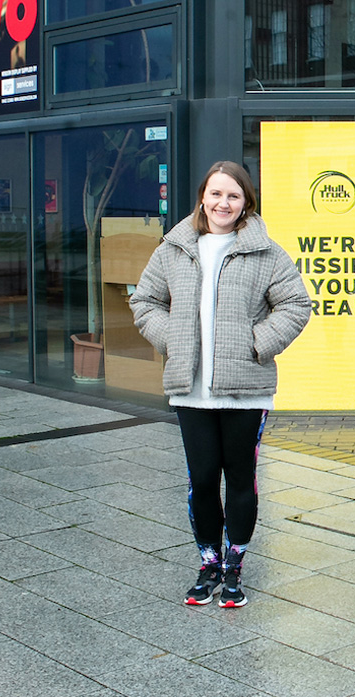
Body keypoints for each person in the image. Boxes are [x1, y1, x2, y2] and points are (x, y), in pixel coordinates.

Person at [130, 161, 311, 608]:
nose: (222, 203)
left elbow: (295, 305)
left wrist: (255, 344)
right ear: (202, 198)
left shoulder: (266, 251)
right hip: (190, 389)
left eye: (233, 195)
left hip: (246, 389)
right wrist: (173, 338)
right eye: (215, 194)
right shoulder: (175, 248)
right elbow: (145, 300)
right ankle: (208, 560)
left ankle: (235, 563)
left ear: (246, 201)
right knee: (203, 479)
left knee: (242, 479)